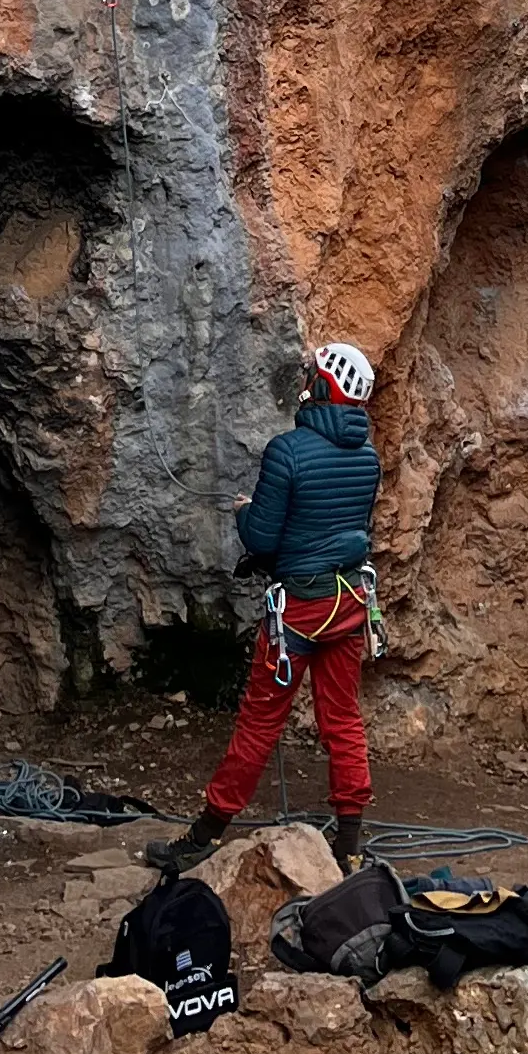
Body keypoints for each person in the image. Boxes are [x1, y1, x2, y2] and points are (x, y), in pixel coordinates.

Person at [144, 341, 383, 876]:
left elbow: (264, 539)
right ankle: (349, 845)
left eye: (313, 377)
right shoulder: (368, 458)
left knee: (259, 723)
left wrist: (244, 514)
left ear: (324, 387)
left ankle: (204, 835)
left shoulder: (287, 451)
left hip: (298, 609)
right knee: (342, 720)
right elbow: (347, 525)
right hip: (347, 603)